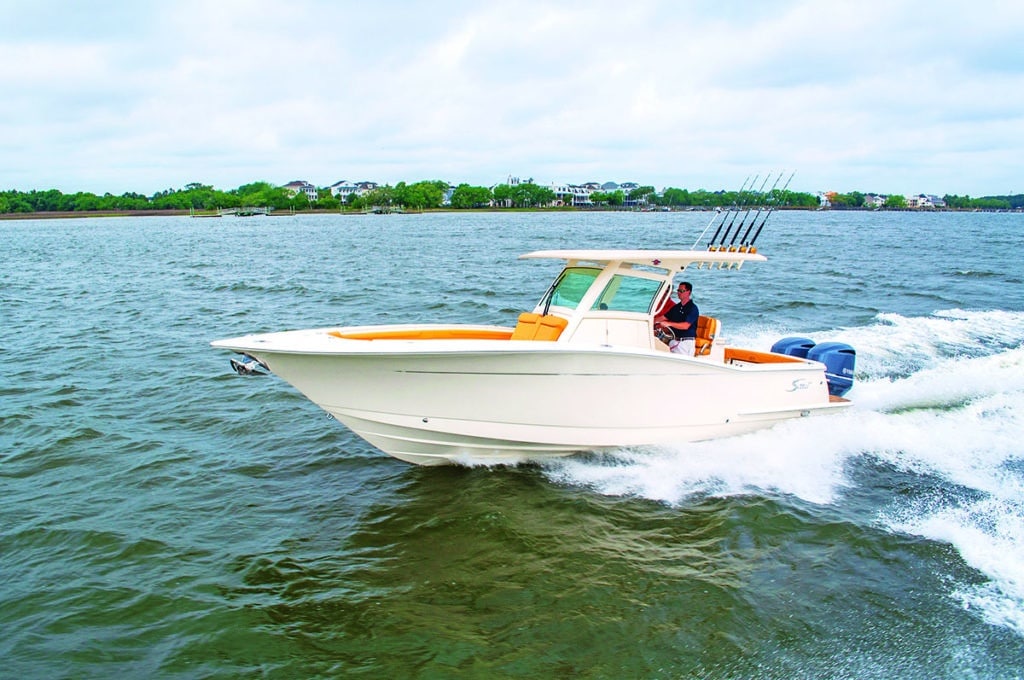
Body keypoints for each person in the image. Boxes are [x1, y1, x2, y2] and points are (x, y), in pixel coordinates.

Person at [654, 281, 699, 355]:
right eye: (678, 291)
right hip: (675, 341)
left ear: (689, 292)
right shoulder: (676, 307)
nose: (679, 293)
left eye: (682, 291)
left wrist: (669, 324)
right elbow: (663, 317)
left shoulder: (693, 308)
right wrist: (649, 323)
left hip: (686, 343)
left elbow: (685, 326)